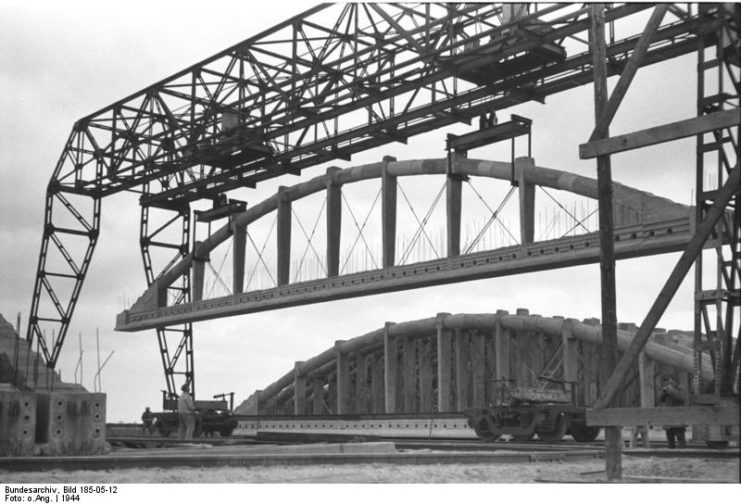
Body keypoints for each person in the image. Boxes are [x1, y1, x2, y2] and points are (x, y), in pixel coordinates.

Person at [657, 375, 687, 448]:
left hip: (678, 417)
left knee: (680, 437)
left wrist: (671, 391)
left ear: (675, 381)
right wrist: (663, 392)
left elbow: (682, 398)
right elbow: (660, 399)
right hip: (669, 418)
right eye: (668, 381)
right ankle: (672, 452)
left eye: (670, 380)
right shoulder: (667, 389)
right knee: (670, 437)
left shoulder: (681, 388)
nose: (669, 382)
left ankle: (683, 453)